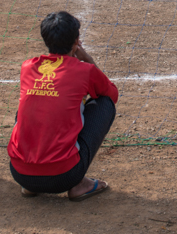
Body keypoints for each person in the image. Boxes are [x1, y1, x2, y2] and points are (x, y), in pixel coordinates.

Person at [8, 11, 119, 201]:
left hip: (19, 172)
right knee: (105, 103)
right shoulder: (84, 70)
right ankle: (79, 184)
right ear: (76, 41)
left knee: (31, 105)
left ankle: (30, 186)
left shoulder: (27, 66)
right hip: (64, 177)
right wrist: (88, 60)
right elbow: (112, 94)